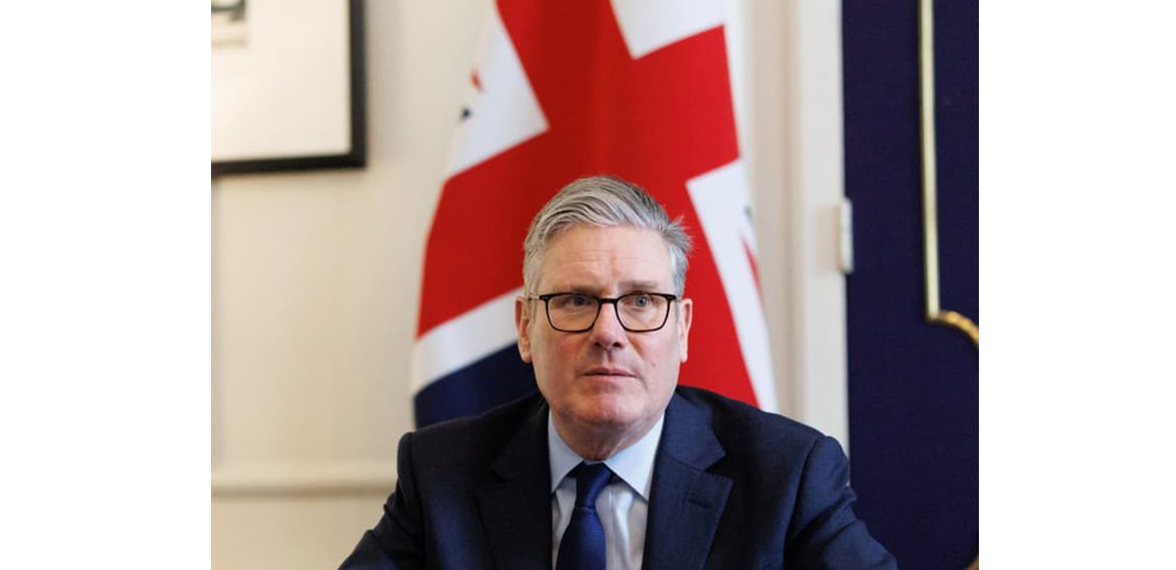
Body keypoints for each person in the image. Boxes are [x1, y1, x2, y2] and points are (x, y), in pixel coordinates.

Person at [340, 175, 896, 569]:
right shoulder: (441, 473)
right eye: (576, 301)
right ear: (525, 328)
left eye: (641, 301)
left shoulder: (787, 476)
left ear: (682, 328)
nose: (608, 332)